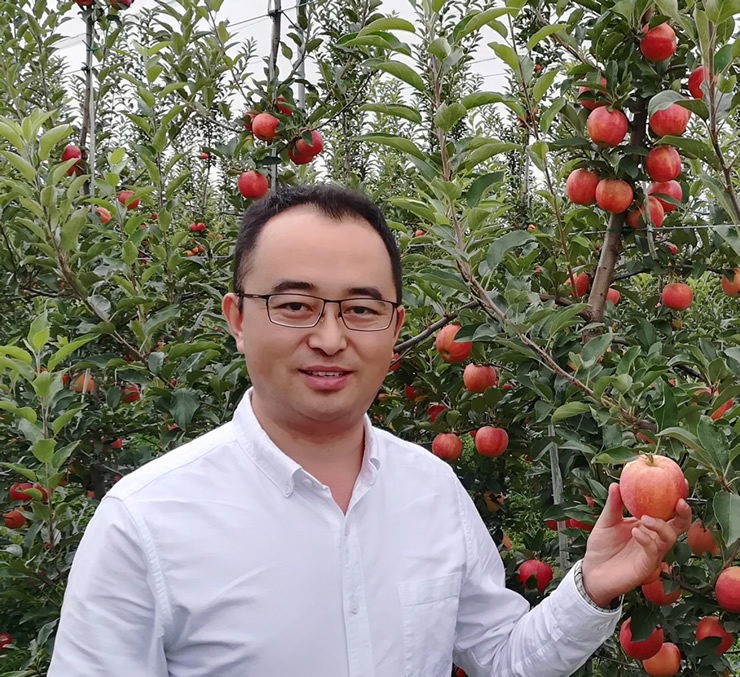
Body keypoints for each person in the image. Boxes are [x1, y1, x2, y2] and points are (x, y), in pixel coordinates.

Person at [48, 184, 692, 677]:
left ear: (394, 327)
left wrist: (592, 586)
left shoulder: (431, 489)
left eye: (360, 309)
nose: (329, 338)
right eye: (294, 305)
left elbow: (500, 657)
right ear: (238, 318)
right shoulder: (144, 523)